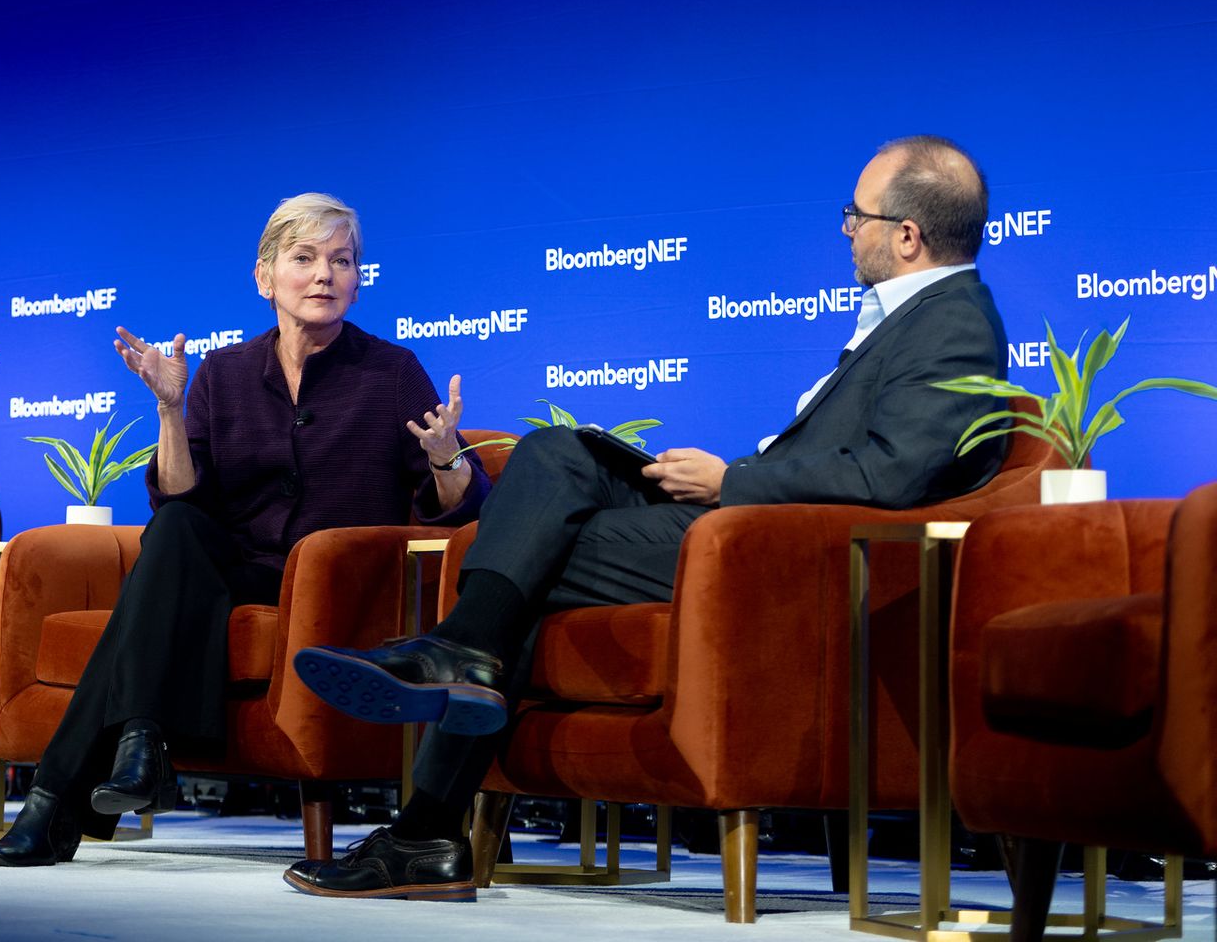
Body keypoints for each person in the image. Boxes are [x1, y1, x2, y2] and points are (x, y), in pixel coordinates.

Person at [287, 135, 1010, 901]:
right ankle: (459, 687)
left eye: (855, 215)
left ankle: (432, 810)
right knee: (559, 454)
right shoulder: (912, 316)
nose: (844, 230)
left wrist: (732, 482)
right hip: (752, 527)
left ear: (907, 234)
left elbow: (891, 475)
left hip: (779, 555)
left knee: (530, 560)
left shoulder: (952, 321)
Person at [0, 192, 490, 866]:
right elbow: (180, 498)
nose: (324, 275)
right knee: (175, 531)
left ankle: (76, 788)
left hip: (330, 584)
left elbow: (456, 506)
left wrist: (445, 455)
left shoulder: (391, 373)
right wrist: (169, 408)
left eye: (341, 261)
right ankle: (132, 748)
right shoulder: (223, 374)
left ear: (358, 280)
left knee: (157, 577)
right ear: (265, 277)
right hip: (236, 566)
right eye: (305, 258)